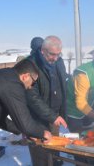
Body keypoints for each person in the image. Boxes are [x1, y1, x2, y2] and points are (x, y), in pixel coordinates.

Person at [0, 59, 52, 166]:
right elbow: (25, 123)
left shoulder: (5, 78)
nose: (31, 87)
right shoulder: (13, 85)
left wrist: (24, 131)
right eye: (33, 82)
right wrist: (42, 133)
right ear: (25, 76)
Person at [26, 35, 68, 166]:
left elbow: (62, 84)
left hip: (54, 116)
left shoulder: (58, 61)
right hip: (36, 119)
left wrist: (60, 112)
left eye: (58, 54)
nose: (55, 58)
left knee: (54, 150)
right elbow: (31, 96)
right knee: (41, 154)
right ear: (42, 50)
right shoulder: (30, 65)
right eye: (52, 54)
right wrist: (52, 115)